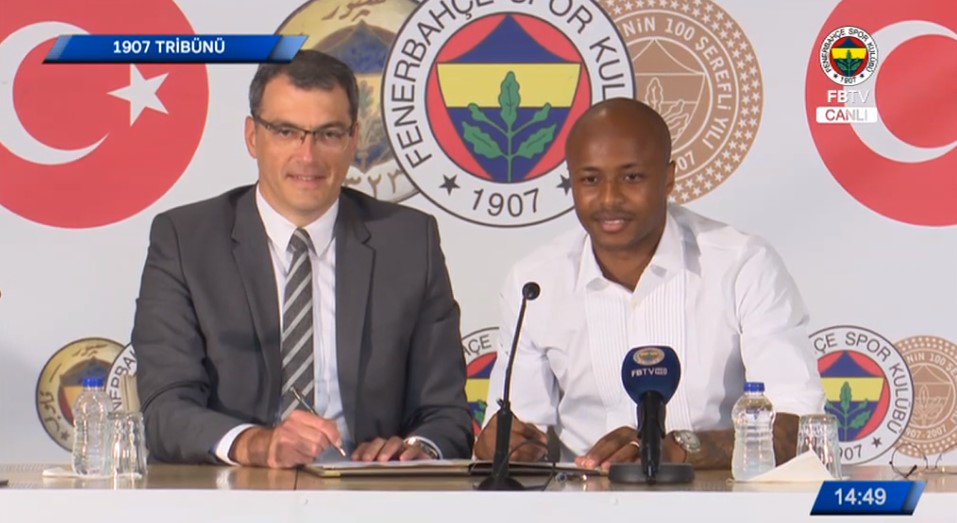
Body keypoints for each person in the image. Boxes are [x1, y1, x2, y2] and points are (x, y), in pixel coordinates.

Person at [133, 51, 472, 468]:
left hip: (370, 489)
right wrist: (256, 444)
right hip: (233, 490)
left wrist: (418, 449)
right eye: (286, 132)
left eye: (328, 134)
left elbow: (446, 413)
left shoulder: (408, 242)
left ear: (354, 139)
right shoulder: (186, 241)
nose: (307, 156)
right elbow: (165, 409)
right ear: (252, 137)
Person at [474, 98, 824, 471]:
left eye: (632, 177)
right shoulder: (535, 283)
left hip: (718, 496)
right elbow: (523, 436)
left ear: (668, 178)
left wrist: (681, 449)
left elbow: (800, 429)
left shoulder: (742, 265)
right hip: (585, 496)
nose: (609, 198)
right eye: (590, 179)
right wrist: (507, 446)